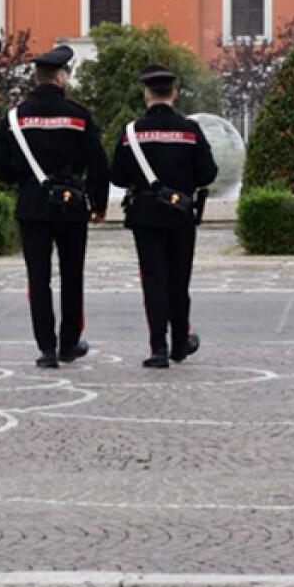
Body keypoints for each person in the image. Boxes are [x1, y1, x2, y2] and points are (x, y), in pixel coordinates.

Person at [0, 45, 109, 369]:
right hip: (71, 205)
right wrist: (98, 204)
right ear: (59, 76)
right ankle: (69, 342)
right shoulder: (78, 116)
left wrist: (24, 180)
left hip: (32, 205)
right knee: (72, 276)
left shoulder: (14, 118)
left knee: (38, 279)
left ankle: (47, 348)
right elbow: (98, 163)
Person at [111, 64, 218, 369]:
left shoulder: (131, 132)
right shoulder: (190, 130)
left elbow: (117, 175)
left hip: (145, 215)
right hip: (180, 213)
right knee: (179, 280)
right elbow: (208, 173)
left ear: (146, 95)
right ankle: (180, 343)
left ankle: (158, 346)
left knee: (153, 280)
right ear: (173, 93)